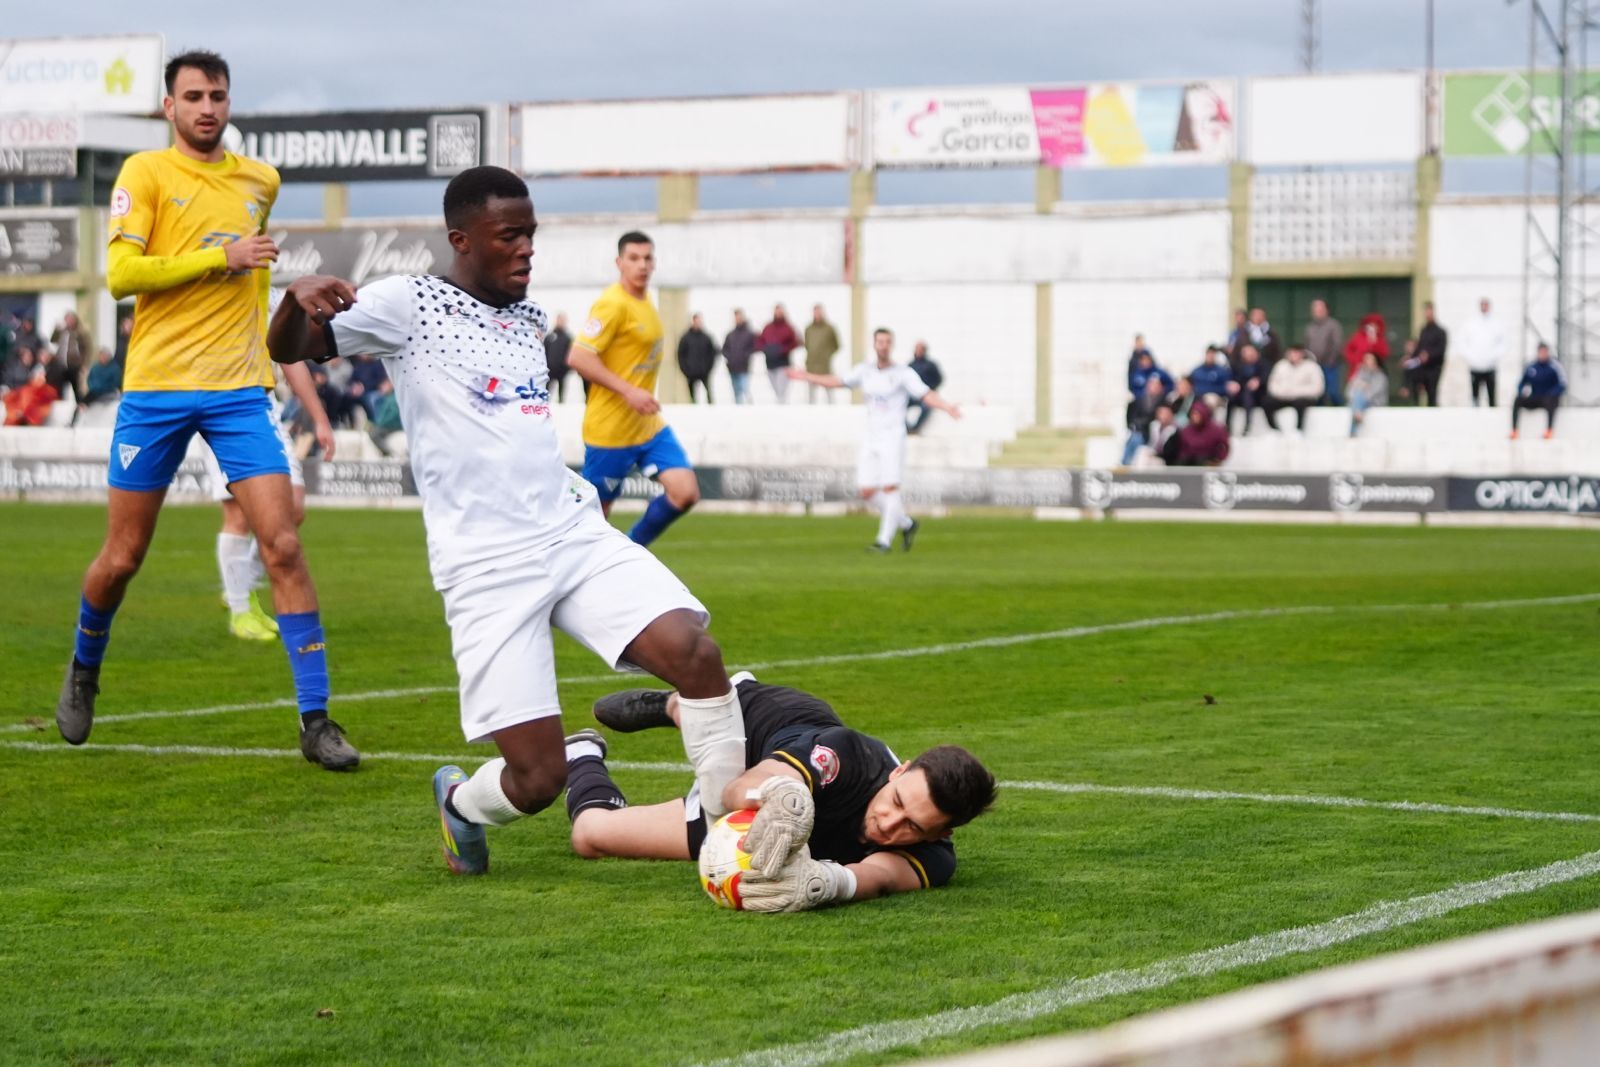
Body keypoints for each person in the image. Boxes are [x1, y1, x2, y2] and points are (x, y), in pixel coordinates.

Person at [268, 165, 750, 876]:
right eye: (510, 235)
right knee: (537, 777)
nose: (527, 248)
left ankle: (726, 839)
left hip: (570, 532)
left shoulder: (528, 318)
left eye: (531, 233)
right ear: (463, 240)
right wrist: (293, 300)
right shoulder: (410, 302)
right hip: (486, 566)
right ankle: (461, 804)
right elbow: (289, 347)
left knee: (697, 656)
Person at [54, 49, 357, 771]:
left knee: (283, 544)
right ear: (169, 107)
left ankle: (317, 721)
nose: (207, 107)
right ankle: (83, 665)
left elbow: (252, 280)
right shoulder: (145, 174)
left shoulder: (261, 181)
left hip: (238, 391)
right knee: (123, 556)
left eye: (217, 95)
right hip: (156, 389)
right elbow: (123, 274)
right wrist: (217, 260)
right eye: (193, 96)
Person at [564, 674, 997, 912]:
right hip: (765, 722)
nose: (889, 822)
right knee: (716, 747)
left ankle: (581, 751)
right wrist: (781, 794)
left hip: (769, 797)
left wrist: (827, 882)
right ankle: (681, 703)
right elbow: (737, 789)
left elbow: (880, 878)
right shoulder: (845, 755)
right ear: (898, 771)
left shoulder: (936, 859)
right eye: (897, 801)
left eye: (912, 826)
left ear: (940, 834)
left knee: (589, 836)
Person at [201, 286, 335, 642]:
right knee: (240, 514)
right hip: (219, 406)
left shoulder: (273, 297)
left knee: (292, 508)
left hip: (264, 408)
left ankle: (239, 586)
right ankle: (241, 609)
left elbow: (289, 357)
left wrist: (319, 418)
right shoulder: (210, 285)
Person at [567, 231, 701, 547]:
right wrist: (629, 392)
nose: (642, 265)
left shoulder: (645, 300)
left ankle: (633, 550)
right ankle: (580, 579)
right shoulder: (611, 304)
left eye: (647, 258)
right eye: (634, 258)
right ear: (619, 262)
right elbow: (579, 356)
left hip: (647, 427)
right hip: (611, 431)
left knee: (685, 491)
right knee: (594, 521)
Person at [787, 327, 960, 552]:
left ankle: (883, 541)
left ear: (892, 345)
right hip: (871, 436)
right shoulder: (865, 371)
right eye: (880, 342)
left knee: (890, 488)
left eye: (887, 342)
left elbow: (925, 394)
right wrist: (806, 376)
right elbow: (838, 381)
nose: (883, 346)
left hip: (893, 436)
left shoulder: (903, 373)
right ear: (874, 344)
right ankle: (907, 523)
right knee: (866, 490)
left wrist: (946, 406)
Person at [1510, 343, 1566, 440]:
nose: (1543, 354)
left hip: (1549, 398)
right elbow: (1521, 383)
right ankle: (1514, 430)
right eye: (1541, 352)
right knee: (1518, 400)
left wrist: (1553, 392)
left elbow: (1563, 384)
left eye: (1545, 352)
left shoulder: (1554, 366)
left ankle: (1549, 430)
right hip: (1536, 397)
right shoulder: (1531, 366)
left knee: (1551, 400)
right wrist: (1522, 392)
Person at [1459, 298, 1506, 407]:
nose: (1484, 307)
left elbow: (1504, 343)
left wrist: (1492, 357)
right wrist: (1471, 358)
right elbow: (1462, 342)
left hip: (1490, 366)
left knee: (1492, 397)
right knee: (1475, 397)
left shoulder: (1496, 323)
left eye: (1486, 304)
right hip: (1475, 366)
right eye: (1482, 304)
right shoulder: (1471, 323)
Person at [1264, 346, 1325, 431]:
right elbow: (1272, 385)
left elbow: (1318, 388)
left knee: (1300, 404)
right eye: (1292, 353)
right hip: (1283, 397)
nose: (1294, 356)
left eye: (1296, 353)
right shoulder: (1280, 366)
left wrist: (1296, 392)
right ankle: (1274, 429)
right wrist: (1284, 392)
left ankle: (1298, 430)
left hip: (1303, 398)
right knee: (1267, 402)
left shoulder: (1312, 366)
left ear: (1302, 354)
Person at [51, 310, 94, 421]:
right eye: (66, 319)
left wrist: (84, 365)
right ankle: (61, 411)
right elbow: (53, 340)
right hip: (63, 365)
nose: (68, 322)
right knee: (59, 387)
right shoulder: (63, 331)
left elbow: (88, 349)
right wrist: (56, 329)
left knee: (78, 391)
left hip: (75, 365)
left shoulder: (81, 332)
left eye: (70, 319)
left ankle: (79, 412)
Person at [1302, 299, 1344, 406]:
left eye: (1320, 309)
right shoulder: (1309, 327)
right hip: (1314, 365)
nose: (1317, 312)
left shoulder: (1333, 325)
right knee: (1317, 393)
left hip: (1330, 365)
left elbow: (1337, 344)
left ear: (1326, 310)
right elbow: (1306, 345)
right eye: (1315, 309)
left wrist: (1331, 360)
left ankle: (1340, 410)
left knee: (1332, 392)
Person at [1122, 374, 1167, 465]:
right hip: (1139, 429)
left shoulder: (1163, 401)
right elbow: (1132, 416)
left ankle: (1126, 463)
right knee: (1134, 437)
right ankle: (1125, 463)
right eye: (1151, 384)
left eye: (1156, 385)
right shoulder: (1140, 400)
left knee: (1136, 438)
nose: (1152, 387)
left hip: (1150, 430)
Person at [758, 305, 798, 403]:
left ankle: (782, 411)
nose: (778, 314)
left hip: (783, 364)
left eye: (780, 312)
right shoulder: (768, 327)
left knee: (781, 391)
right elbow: (760, 341)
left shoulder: (788, 327)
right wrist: (766, 349)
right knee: (776, 390)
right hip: (770, 364)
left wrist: (782, 349)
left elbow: (794, 343)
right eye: (777, 312)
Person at [676, 312, 717, 404]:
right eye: (696, 321)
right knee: (692, 395)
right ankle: (693, 407)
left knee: (709, 393)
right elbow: (680, 354)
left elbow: (713, 353)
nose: (697, 323)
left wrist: (708, 368)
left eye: (699, 321)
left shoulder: (707, 337)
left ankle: (711, 409)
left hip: (704, 371)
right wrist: (685, 369)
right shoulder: (686, 338)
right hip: (691, 371)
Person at [802, 304, 840, 404]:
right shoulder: (809, 329)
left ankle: (832, 410)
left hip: (825, 365)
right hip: (811, 365)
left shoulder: (829, 328)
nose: (817, 314)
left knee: (829, 391)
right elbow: (806, 345)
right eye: (815, 312)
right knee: (811, 394)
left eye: (819, 312)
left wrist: (827, 355)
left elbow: (836, 345)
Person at [1224, 344, 1266, 435]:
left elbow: (1265, 377)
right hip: (1240, 393)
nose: (1247, 355)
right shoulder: (1238, 365)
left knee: (1248, 395)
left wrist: (1258, 381)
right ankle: (1227, 425)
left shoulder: (1263, 364)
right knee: (1231, 398)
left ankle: (1247, 425)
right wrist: (1234, 384)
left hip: (1257, 395)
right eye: (1245, 353)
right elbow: (1233, 378)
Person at [1174, 397, 1229, 466]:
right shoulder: (1186, 430)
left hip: (1208, 461)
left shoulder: (1216, 430)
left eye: (1197, 414)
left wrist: (1219, 459)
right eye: (1193, 414)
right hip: (1189, 462)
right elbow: (1182, 449)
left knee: (1200, 460)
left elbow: (1224, 446)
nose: (1195, 417)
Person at [1347, 350, 1389, 436]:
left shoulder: (1380, 376)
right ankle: (1357, 415)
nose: (1367, 361)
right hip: (1359, 401)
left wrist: (1363, 388)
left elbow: (1374, 392)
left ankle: (1353, 429)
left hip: (1374, 401)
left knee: (1358, 397)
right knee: (1358, 396)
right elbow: (1349, 390)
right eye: (1366, 359)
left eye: (1370, 359)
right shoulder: (1359, 373)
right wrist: (1361, 388)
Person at [1412, 302, 1447, 407]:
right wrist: (1411, 358)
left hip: (1434, 368)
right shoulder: (1423, 330)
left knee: (1432, 392)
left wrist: (1429, 355)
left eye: (1430, 311)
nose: (1428, 314)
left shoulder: (1440, 332)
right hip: (1423, 368)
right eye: (1426, 311)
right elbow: (1419, 347)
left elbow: (1441, 350)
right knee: (1418, 388)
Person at [905, 340, 943, 434]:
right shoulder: (911, 365)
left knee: (926, 407)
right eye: (917, 349)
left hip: (926, 396)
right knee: (898, 405)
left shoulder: (931, 365)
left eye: (920, 349)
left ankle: (915, 428)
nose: (918, 351)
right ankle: (908, 428)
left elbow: (939, 379)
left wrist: (931, 390)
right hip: (913, 396)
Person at [722, 308, 756, 405]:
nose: (737, 319)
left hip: (744, 367)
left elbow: (753, 347)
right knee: (736, 392)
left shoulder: (749, 333)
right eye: (736, 317)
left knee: (745, 389)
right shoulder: (730, 334)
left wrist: (745, 356)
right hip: (732, 367)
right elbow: (724, 349)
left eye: (739, 317)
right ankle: (739, 412)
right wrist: (729, 358)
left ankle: (750, 409)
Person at [1343, 314, 1388, 384]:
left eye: (1375, 325)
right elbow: (1348, 350)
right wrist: (1354, 361)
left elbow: (1384, 353)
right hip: (1358, 371)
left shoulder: (1380, 339)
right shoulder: (1357, 336)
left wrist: (1374, 341)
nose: (1372, 328)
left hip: (1374, 373)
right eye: (1370, 325)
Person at [365, 377, 404, 456]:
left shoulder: (394, 398)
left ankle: (388, 452)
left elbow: (393, 416)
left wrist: (379, 424)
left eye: (384, 385)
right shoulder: (387, 398)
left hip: (394, 426)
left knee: (373, 434)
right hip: (386, 425)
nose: (381, 387)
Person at [543, 312, 573, 401]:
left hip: (562, 370)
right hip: (549, 369)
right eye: (559, 320)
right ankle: (544, 404)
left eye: (562, 320)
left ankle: (561, 404)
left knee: (562, 392)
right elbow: (544, 351)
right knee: (547, 391)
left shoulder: (568, 337)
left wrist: (567, 368)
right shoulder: (549, 336)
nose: (560, 322)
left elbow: (571, 353)